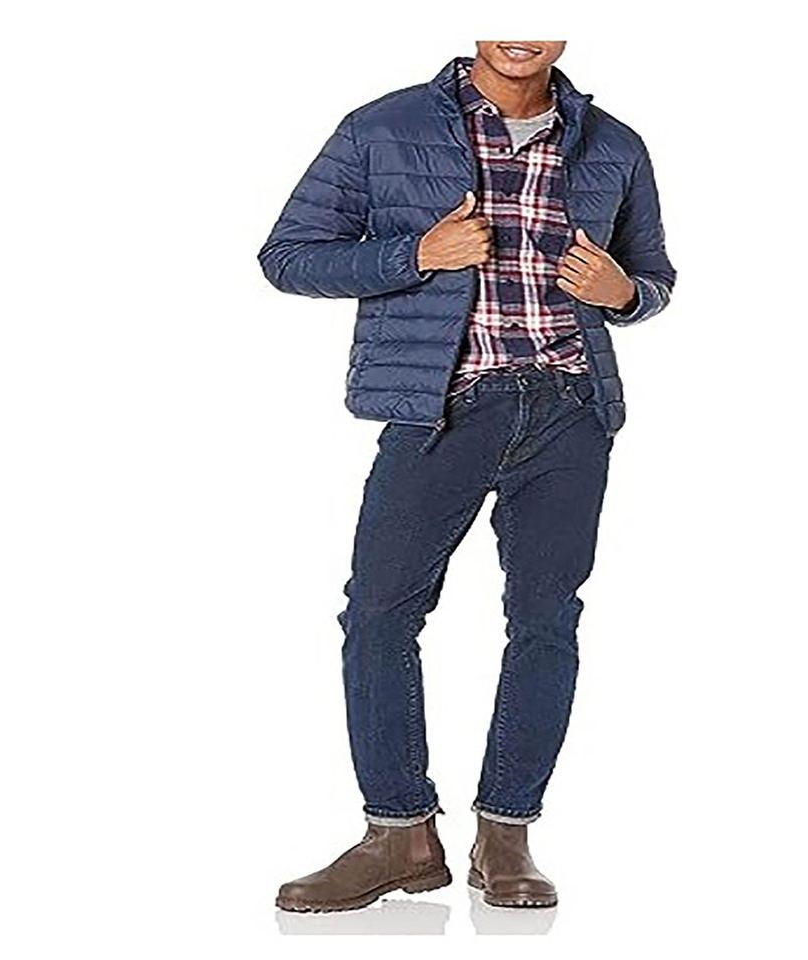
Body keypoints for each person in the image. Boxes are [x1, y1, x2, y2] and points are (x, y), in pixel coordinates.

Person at [257, 40, 676, 911]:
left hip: (569, 409)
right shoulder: (382, 128)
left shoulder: (614, 143)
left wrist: (623, 294)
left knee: (546, 622)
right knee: (378, 614)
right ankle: (400, 835)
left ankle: (506, 835)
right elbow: (287, 256)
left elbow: (654, 277)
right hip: (439, 409)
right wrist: (418, 253)